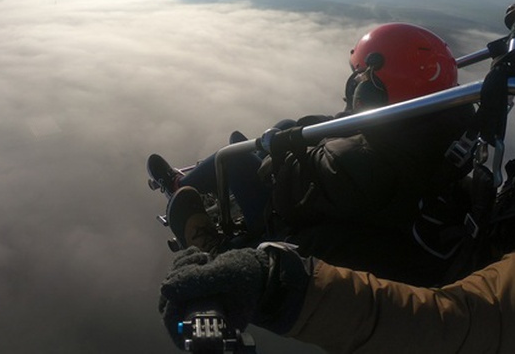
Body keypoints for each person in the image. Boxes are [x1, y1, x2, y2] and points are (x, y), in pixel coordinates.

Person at [158, 0, 515, 353]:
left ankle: (217, 244)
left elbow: (467, 324)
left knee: (288, 219)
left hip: (446, 287)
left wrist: (277, 287)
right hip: (452, 246)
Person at [155, 23, 468, 257]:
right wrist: (296, 132)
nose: (356, 84)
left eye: (362, 77)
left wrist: (274, 157)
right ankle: (206, 177)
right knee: (285, 127)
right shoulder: (430, 127)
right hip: (369, 200)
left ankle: (198, 217)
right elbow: (347, 132)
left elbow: (294, 193)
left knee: (234, 156)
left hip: (290, 219)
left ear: (375, 91)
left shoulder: (361, 159)